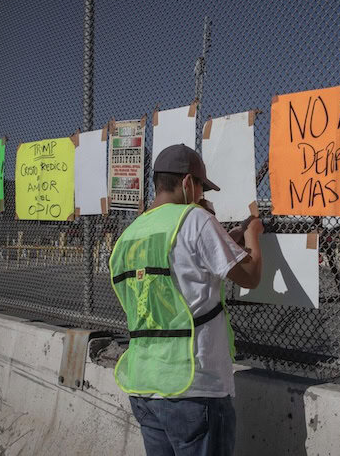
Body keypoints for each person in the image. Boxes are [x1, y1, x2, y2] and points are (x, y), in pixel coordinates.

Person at [109, 144, 263, 456]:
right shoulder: (194, 219)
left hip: (143, 385)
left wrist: (224, 238)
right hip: (194, 386)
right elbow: (250, 275)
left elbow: (177, 270)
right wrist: (253, 237)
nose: (201, 195)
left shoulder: (130, 234)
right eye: (201, 188)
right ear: (187, 182)